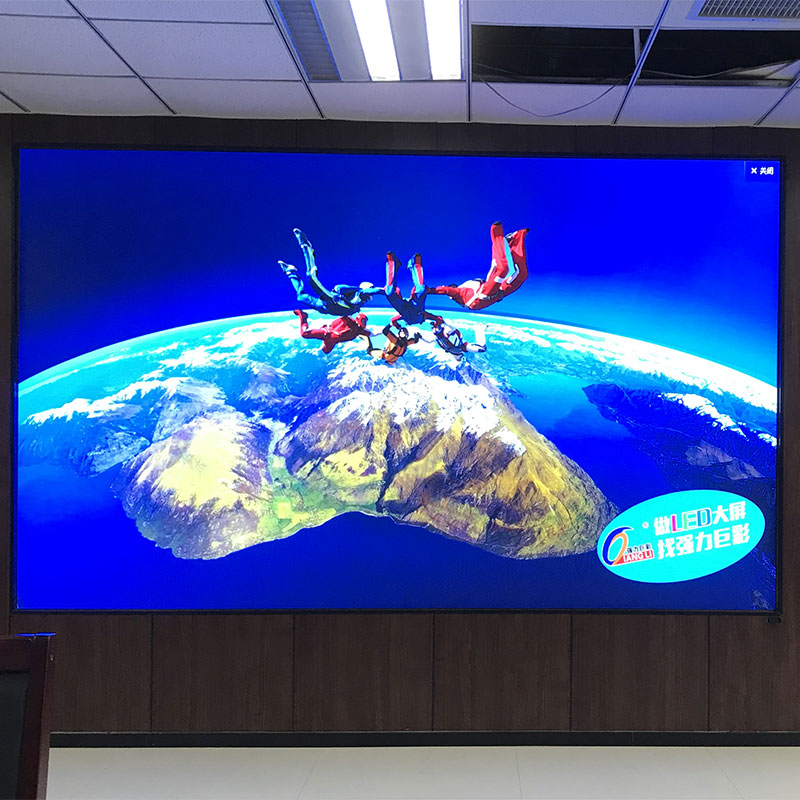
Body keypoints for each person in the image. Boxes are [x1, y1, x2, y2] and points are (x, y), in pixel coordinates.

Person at [428, 221, 530, 311]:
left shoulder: (464, 289)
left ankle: (517, 237)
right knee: (503, 269)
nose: (453, 291)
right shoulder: (458, 292)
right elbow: (446, 290)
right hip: (482, 298)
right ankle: (499, 238)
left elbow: (491, 278)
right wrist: (430, 291)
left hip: (491, 294)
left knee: (521, 275)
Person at [280, 228, 382, 316]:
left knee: (301, 297)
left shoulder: (360, 301)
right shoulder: (360, 292)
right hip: (331, 301)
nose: (370, 296)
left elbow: (349, 306)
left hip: (325, 307)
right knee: (311, 278)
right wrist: (383, 291)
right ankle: (306, 247)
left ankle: (291, 272)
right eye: (370, 290)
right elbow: (341, 288)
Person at [384, 251, 440, 326]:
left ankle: (393, 264)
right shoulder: (425, 315)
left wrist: (398, 327)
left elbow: (392, 320)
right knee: (421, 290)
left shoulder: (402, 317)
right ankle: (414, 265)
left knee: (389, 293)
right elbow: (439, 319)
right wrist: (436, 325)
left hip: (403, 310)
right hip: (416, 308)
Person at [293, 309, 371, 354]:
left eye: (365, 322)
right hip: (326, 333)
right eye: (363, 321)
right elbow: (343, 313)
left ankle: (324, 339)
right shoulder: (349, 320)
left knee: (325, 351)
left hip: (332, 341)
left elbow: (372, 334)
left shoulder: (360, 331)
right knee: (304, 334)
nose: (363, 323)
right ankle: (303, 316)